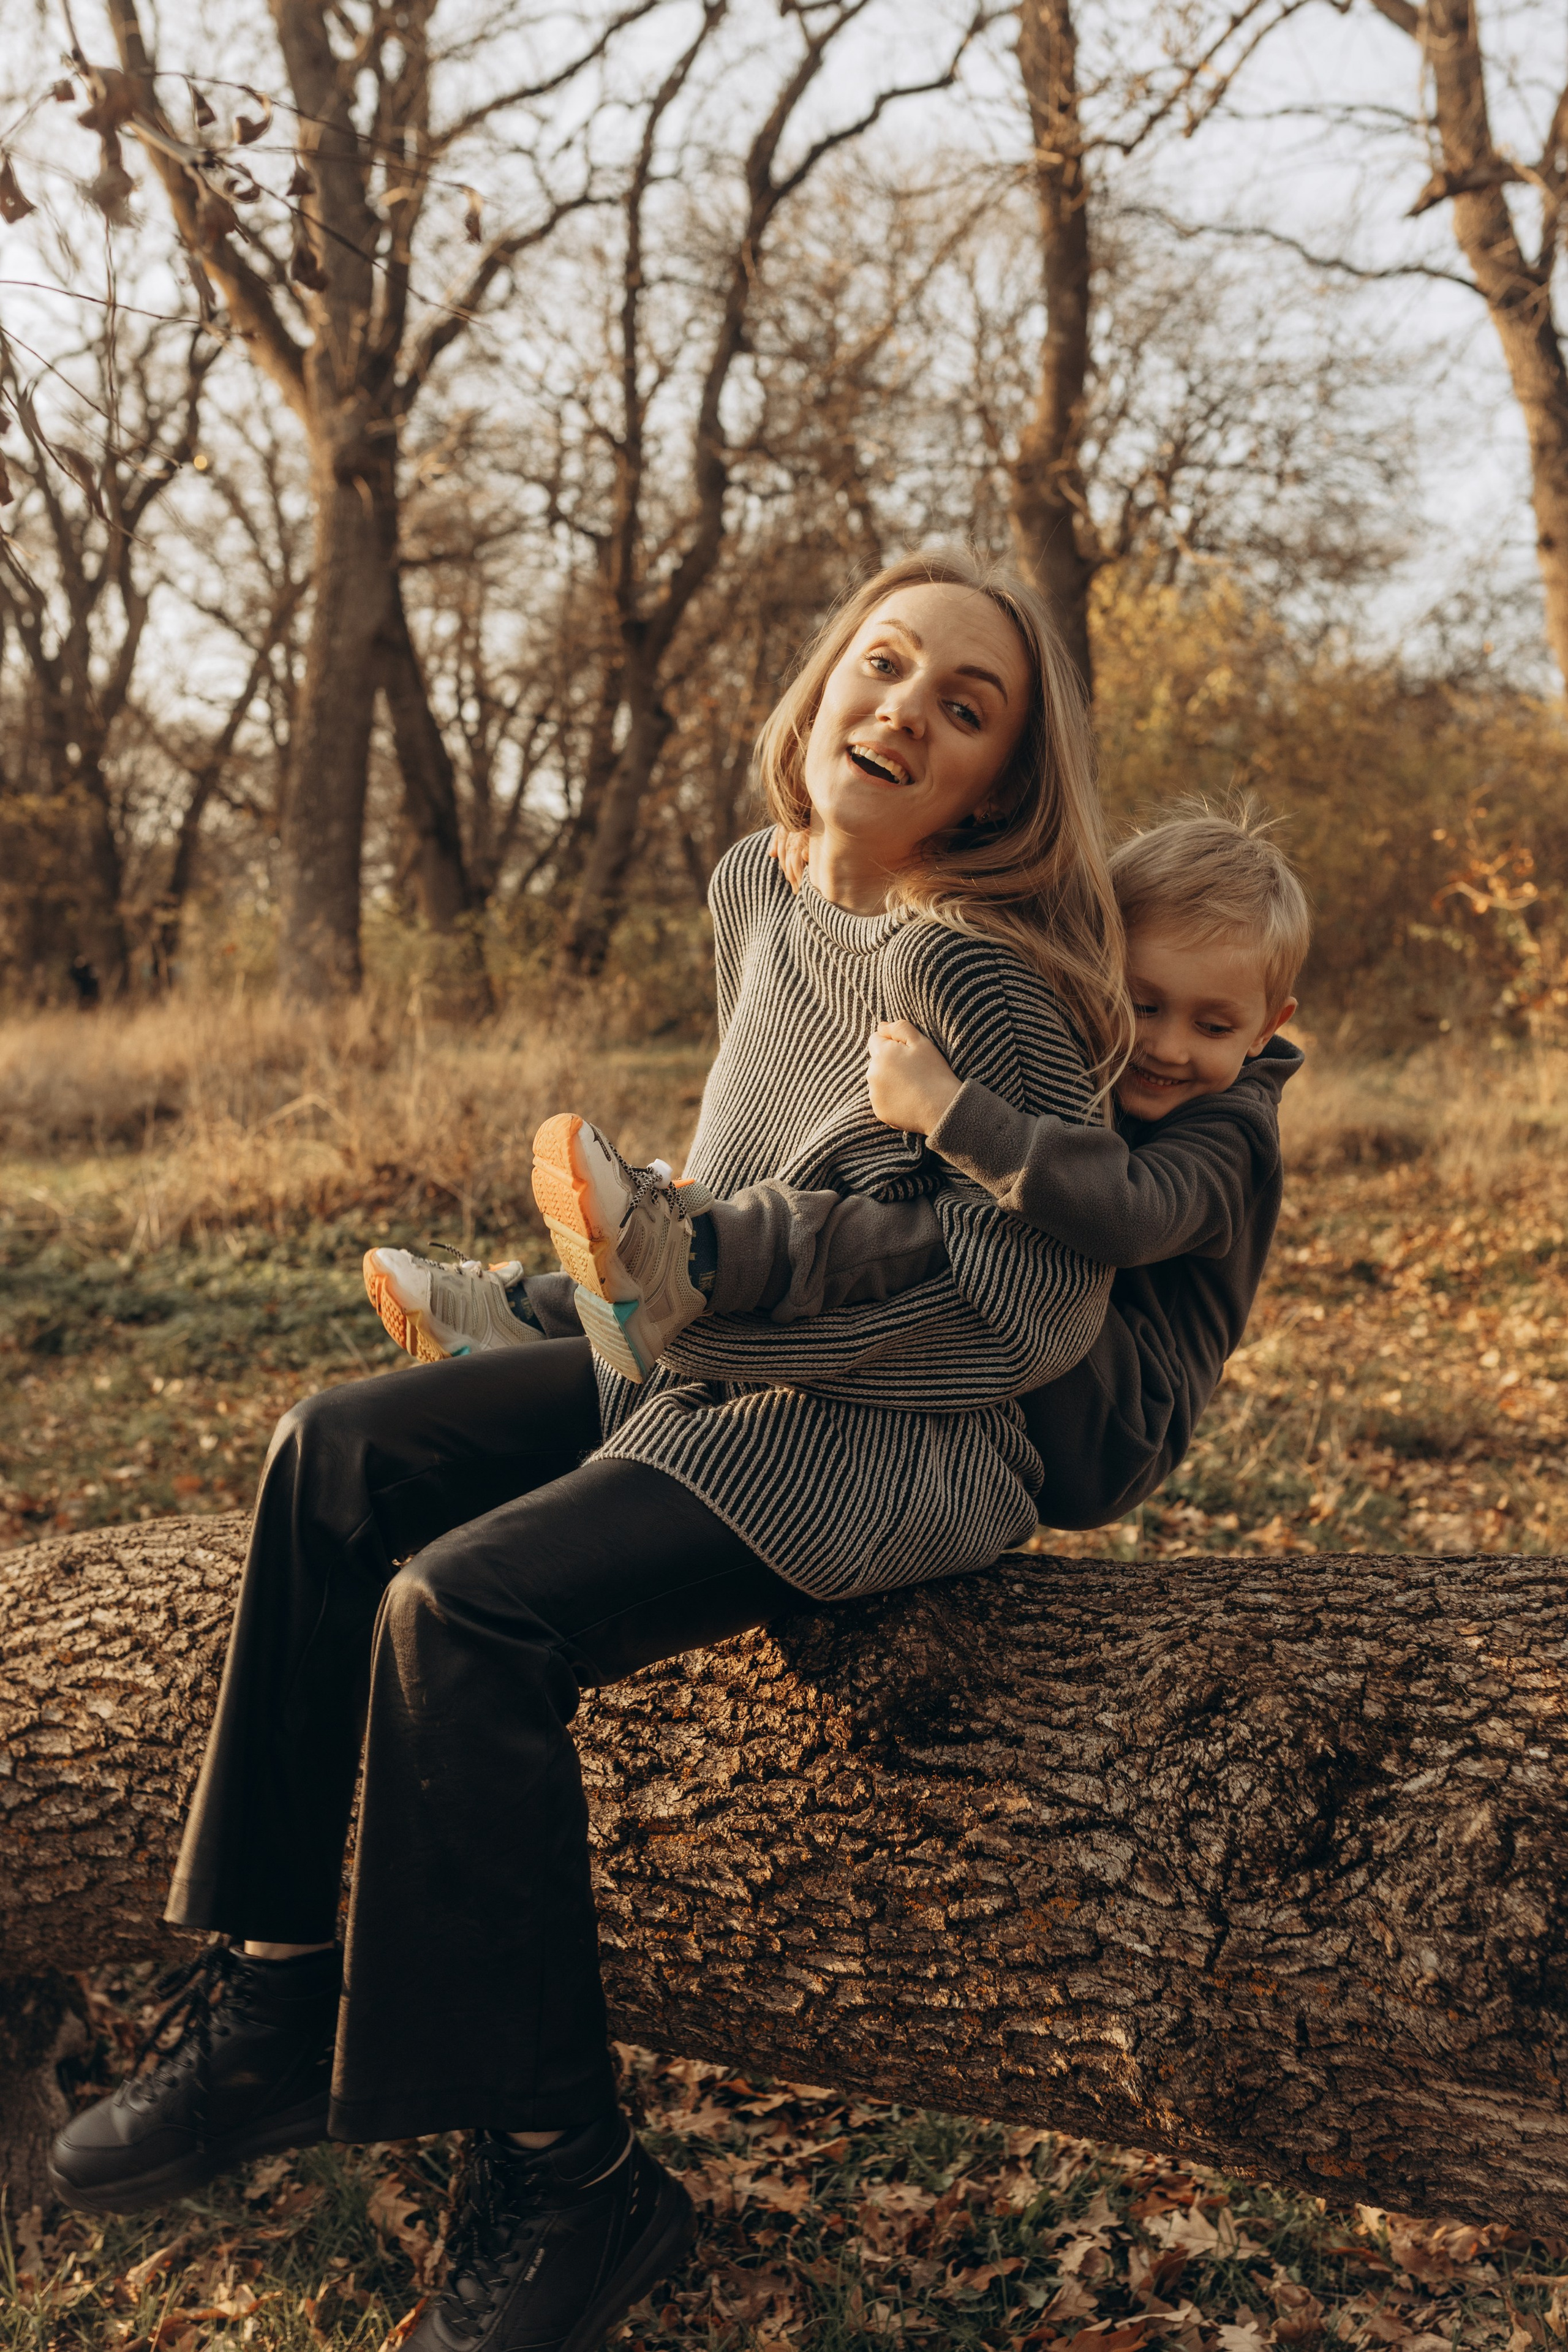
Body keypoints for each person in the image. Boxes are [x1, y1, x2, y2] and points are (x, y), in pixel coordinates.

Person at [50, 551, 1131, 2352]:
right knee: (334, 1454)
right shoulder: (758, 884)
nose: (904, 715)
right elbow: (763, 1180)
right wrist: (650, 1285)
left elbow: (1036, 1319)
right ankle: (278, 1998)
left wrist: (724, 1328)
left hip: (888, 1443)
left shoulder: (976, 975)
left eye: (965, 710)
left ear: (997, 787)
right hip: (707, 1368)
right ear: (823, 684)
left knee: (464, 1613)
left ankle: (570, 2172)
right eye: (884, 665)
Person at [369, 805, 1309, 1532]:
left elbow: (1129, 1214)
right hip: (1048, 1347)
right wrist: (839, 859)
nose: (1169, 1046)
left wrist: (949, 1113)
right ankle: (540, 1313)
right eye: (1142, 1004)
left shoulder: (1233, 1133)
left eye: (1214, 1024)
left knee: (941, 1230)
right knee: (879, 1175)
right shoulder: (1103, 1055)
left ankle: (694, 1256)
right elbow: (1011, 917)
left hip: (1109, 1419)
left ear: (1270, 1026)